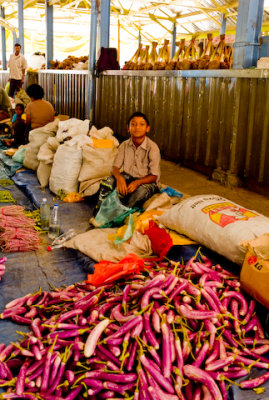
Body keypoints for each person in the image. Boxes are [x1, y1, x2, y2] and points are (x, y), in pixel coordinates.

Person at [95, 111, 160, 213]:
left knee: (139, 193)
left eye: (141, 124)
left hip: (146, 181)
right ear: (128, 128)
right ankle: (100, 211)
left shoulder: (152, 148)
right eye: (133, 124)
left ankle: (122, 214)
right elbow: (115, 167)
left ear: (148, 128)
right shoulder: (124, 145)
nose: (137, 127)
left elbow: (154, 176)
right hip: (128, 177)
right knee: (108, 182)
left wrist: (138, 182)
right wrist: (119, 177)